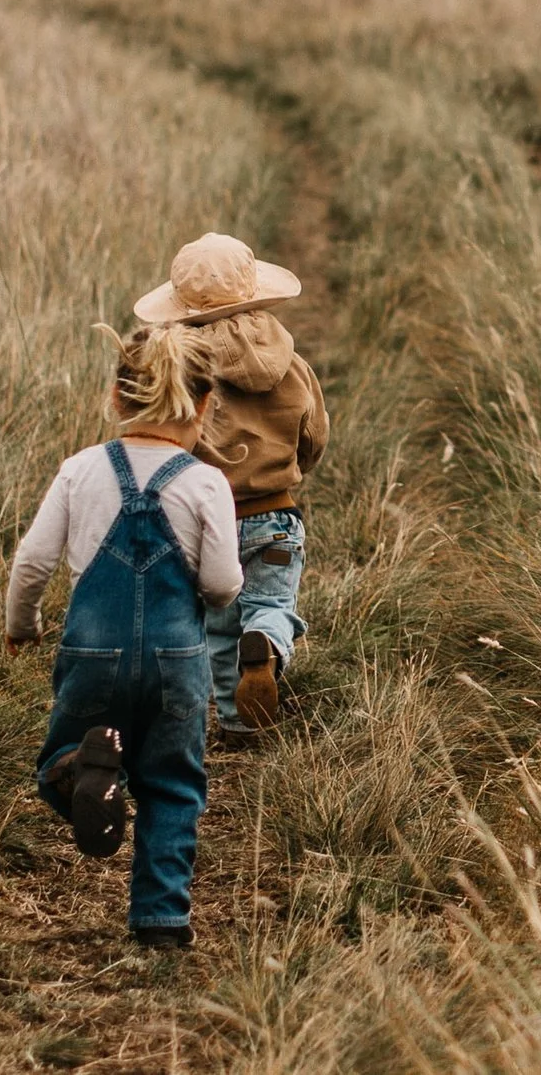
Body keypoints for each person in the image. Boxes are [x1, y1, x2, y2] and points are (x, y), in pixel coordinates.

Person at [5, 321, 240, 950]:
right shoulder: (206, 483)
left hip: (92, 655)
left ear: (116, 399)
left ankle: (79, 771)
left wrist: (21, 624)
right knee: (172, 783)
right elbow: (221, 584)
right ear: (205, 405)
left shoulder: (81, 471)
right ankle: (162, 922)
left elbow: (31, 562)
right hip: (176, 663)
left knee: (58, 757)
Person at [133, 232, 327, 743]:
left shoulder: (183, 371)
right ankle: (264, 641)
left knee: (219, 626)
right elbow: (313, 432)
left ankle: (238, 724)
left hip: (204, 520)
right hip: (275, 515)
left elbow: (166, 443)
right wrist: (294, 467)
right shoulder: (291, 364)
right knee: (271, 605)